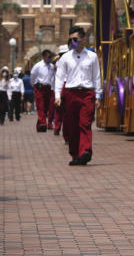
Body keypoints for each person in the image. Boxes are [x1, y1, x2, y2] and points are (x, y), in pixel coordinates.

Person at [54, 27, 102, 166]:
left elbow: (96, 77)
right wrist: (58, 96)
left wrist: (98, 95)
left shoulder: (92, 56)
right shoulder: (66, 58)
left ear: (83, 39)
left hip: (87, 93)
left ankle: (85, 151)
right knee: (72, 125)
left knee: (85, 123)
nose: (73, 42)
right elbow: (59, 77)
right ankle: (75, 154)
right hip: (71, 93)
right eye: (70, 40)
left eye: (75, 39)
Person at [30, 51, 55, 132]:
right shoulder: (38, 66)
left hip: (48, 88)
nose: (49, 58)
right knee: (40, 106)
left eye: (51, 57)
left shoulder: (51, 66)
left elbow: (53, 77)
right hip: (40, 88)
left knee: (47, 107)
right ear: (44, 57)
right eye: (48, 57)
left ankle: (39, 124)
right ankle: (43, 123)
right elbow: (33, 76)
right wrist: (34, 85)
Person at [51, 45, 68, 136]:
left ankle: (57, 128)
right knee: (63, 111)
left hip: (61, 87)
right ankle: (60, 129)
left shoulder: (58, 62)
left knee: (59, 110)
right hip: (63, 87)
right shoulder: (60, 62)